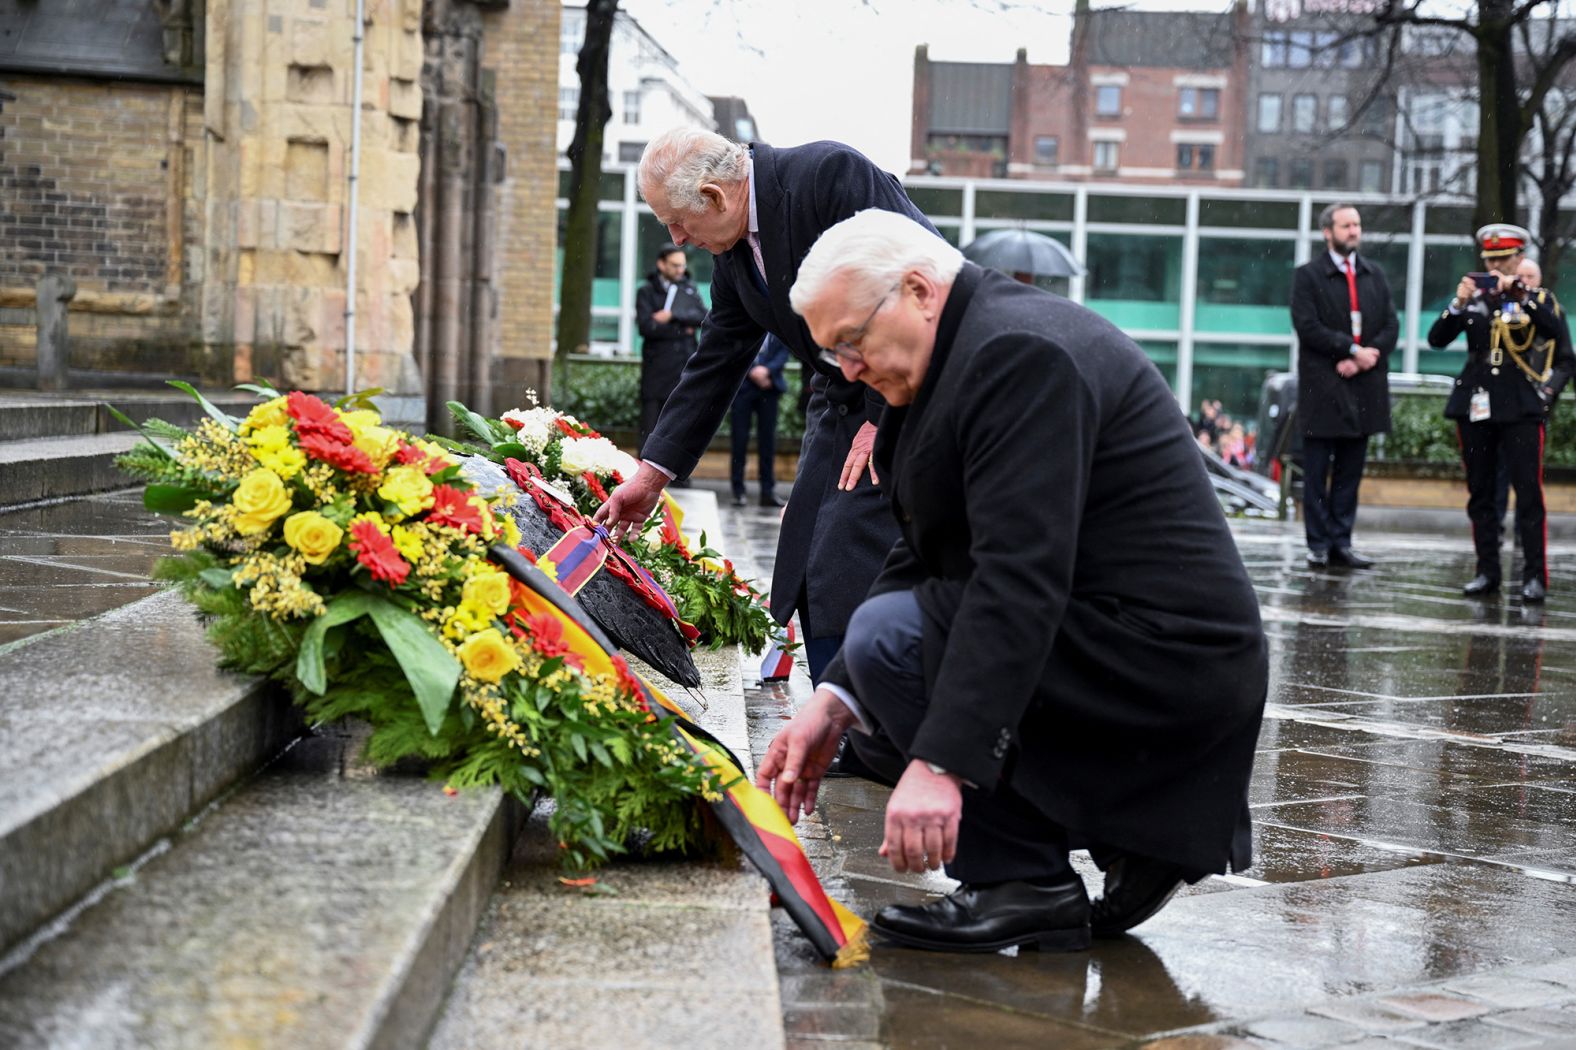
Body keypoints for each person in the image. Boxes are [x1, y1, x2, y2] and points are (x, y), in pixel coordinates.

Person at [756, 210, 1267, 953]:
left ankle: (1021, 880)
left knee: (891, 639)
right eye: (833, 354)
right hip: (1111, 631)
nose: (849, 370)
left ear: (920, 291)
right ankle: (1101, 846)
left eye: (851, 341)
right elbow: (930, 549)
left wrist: (940, 766)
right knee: (881, 641)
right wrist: (834, 699)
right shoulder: (961, 348)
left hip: (1167, 665)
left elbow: (1016, 579)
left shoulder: (1017, 355)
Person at [595, 127, 938, 684]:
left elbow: (917, 283)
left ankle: (875, 718)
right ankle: (846, 715)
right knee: (806, 554)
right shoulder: (734, 251)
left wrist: (886, 417)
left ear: (714, 196)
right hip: (839, 399)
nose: (677, 240)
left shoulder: (831, 177)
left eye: (676, 221)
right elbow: (718, 356)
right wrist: (652, 475)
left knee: (849, 547)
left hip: (912, 390)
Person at [1427, 224, 1572, 601]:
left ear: (1519, 258)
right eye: (1489, 259)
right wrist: (1457, 304)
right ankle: (1486, 571)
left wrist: (1520, 295)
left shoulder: (1535, 299)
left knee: (1528, 494)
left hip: (1520, 406)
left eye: (1502, 259)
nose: (1494, 266)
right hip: (1476, 403)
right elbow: (1437, 339)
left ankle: (1534, 576)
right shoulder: (1475, 299)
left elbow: (1556, 333)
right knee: (1481, 494)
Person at [1290, 203, 1397, 570]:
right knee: (1317, 473)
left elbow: (1390, 326)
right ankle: (1318, 544)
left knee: (1350, 472)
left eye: (1357, 224)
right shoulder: (1308, 277)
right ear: (1327, 231)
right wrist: (1348, 349)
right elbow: (1307, 326)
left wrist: (1368, 355)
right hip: (1323, 389)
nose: (1354, 231)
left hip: (1364, 389)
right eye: (1346, 225)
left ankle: (1342, 542)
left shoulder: (1374, 275)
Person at [1492, 257, 1573, 536]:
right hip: (1502, 400)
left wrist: (1547, 392)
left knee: (1527, 474)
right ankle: (1497, 525)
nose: (1524, 282)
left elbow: (1565, 359)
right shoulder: (1502, 310)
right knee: (1497, 470)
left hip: (1532, 402)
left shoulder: (1548, 311)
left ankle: (1525, 532)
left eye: (1530, 277)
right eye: (1520, 276)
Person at [635, 243, 708, 486]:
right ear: (661, 264)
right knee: (651, 423)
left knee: (681, 422)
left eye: (682, 265)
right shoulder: (647, 292)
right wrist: (681, 330)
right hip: (657, 371)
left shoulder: (688, 289)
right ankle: (642, 475)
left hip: (682, 368)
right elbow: (647, 327)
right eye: (675, 265)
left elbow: (702, 317)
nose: (680, 270)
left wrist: (673, 317)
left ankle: (678, 475)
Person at [730, 333, 789, 508]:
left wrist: (767, 370)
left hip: (769, 389)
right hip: (743, 389)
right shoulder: (745, 317)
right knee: (739, 441)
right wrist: (752, 371)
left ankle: (767, 492)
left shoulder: (778, 319)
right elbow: (735, 349)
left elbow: (784, 350)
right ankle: (738, 491)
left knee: (768, 443)